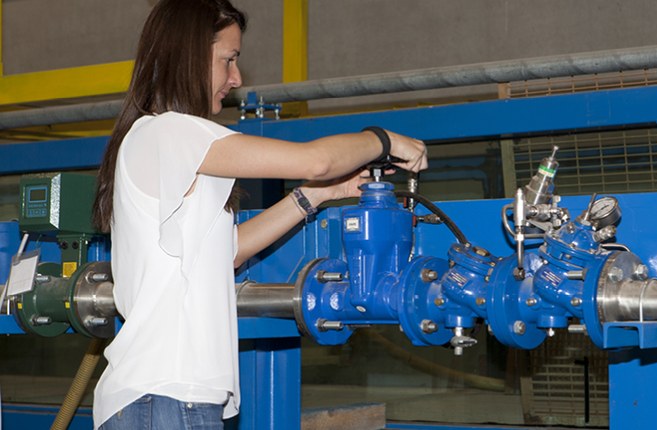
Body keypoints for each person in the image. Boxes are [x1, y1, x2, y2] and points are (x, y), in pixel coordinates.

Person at [90, 0, 427, 428]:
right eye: (228, 60)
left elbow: (229, 252)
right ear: (189, 56)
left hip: (166, 398)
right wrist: (383, 139)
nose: (236, 78)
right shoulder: (171, 132)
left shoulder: (165, 143)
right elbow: (315, 161)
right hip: (165, 396)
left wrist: (314, 197)